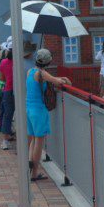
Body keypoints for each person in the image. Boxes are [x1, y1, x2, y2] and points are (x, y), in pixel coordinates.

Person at [26, 48, 71, 182]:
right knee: (39, 141)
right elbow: (59, 82)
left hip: (29, 109)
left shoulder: (30, 71)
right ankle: (34, 173)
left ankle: (30, 169)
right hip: (39, 110)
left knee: (33, 139)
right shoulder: (42, 73)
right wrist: (65, 80)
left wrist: (57, 78)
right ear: (47, 62)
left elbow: (51, 79)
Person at [0, 48, 15, 150]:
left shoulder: (3, 62)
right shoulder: (20, 62)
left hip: (7, 90)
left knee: (7, 115)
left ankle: (5, 141)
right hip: (19, 91)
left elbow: (1, 79)